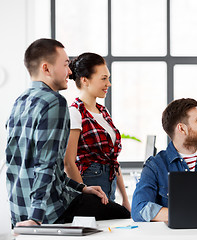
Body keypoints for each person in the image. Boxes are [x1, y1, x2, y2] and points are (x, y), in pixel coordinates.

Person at [5, 38, 130, 227]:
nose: (70, 72)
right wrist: (35, 218)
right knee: (122, 216)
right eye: (65, 65)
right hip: (49, 210)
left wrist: (82, 188)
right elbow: (45, 165)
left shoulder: (20, 101)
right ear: (46, 68)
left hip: (19, 210)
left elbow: (21, 165)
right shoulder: (54, 102)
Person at [64, 52, 130, 212]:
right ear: (85, 80)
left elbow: (113, 160)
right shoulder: (75, 113)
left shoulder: (103, 111)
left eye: (108, 78)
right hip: (90, 186)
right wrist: (85, 196)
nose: (109, 83)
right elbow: (69, 162)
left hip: (109, 187)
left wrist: (125, 199)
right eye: (103, 78)